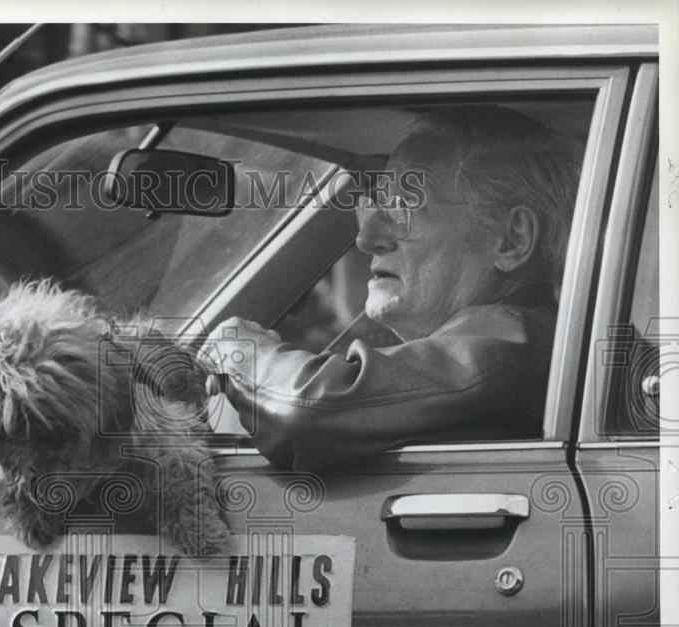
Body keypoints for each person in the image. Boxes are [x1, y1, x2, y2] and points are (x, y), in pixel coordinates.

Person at [200, 105, 584, 471]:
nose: (367, 239)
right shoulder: (527, 342)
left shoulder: (514, 341)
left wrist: (235, 350)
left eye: (402, 209)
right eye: (372, 206)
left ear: (512, 239)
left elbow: (306, 408)